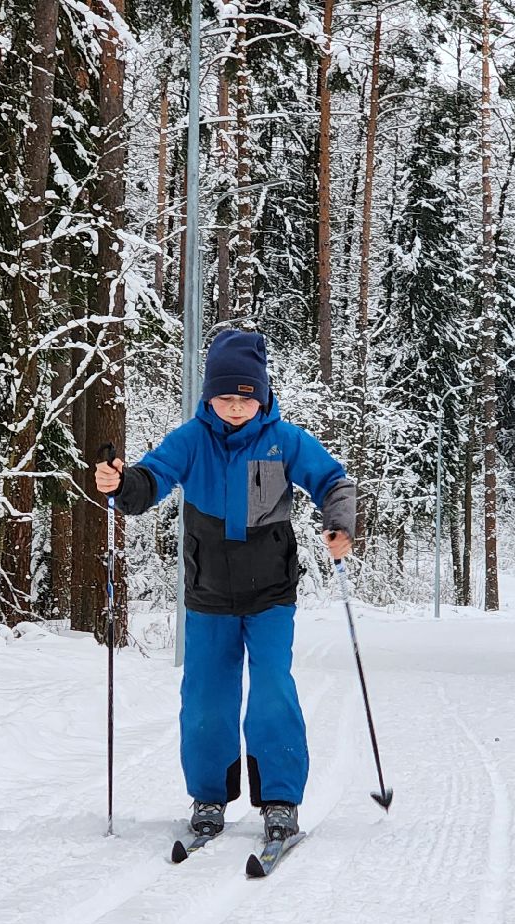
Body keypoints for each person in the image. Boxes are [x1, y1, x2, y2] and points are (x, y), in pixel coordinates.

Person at [94, 328, 356, 845]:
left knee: (272, 692)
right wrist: (121, 484)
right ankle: (209, 795)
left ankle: (280, 799)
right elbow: (150, 479)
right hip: (209, 593)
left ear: (262, 396)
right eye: (226, 397)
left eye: (246, 398)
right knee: (206, 698)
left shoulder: (285, 440)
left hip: (270, 594)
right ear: (209, 396)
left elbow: (334, 481)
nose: (236, 407)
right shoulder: (191, 440)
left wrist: (339, 524)